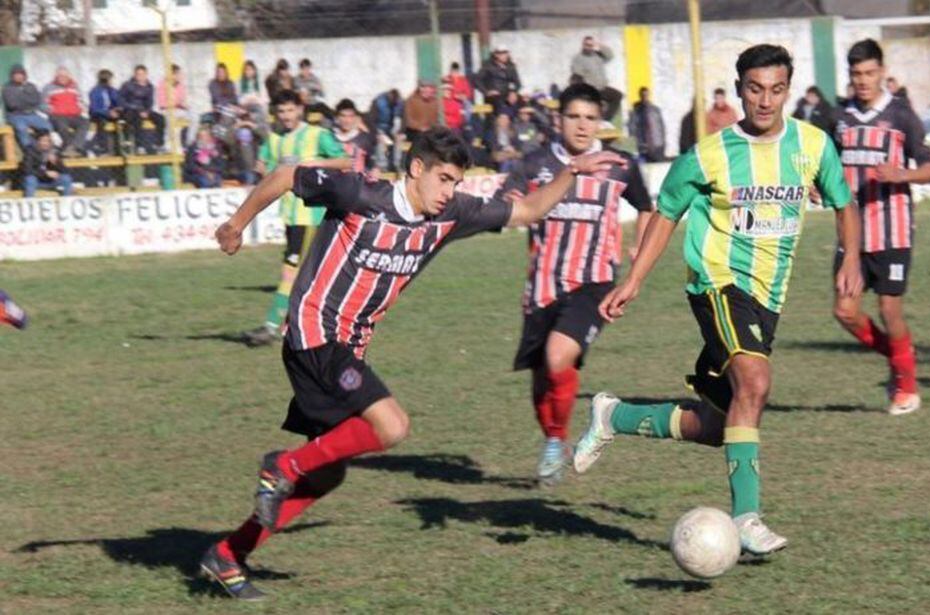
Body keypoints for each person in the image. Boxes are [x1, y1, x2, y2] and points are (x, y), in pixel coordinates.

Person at [199, 127, 624, 601]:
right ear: (416, 168)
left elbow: (526, 209)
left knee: (328, 472)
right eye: (443, 179)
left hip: (348, 346)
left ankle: (228, 554)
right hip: (315, 333)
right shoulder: (358, 192)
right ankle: (281, 465)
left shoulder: (454, 214)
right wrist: (237, 223)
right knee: (391, 425)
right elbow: (283, 176)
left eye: (456, 182)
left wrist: (569, 173)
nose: (450, 192)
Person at [573, 44, 864, 556]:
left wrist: (850, 258)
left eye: (776, 89)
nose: (765, 100)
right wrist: (634, 280)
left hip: (768, 297)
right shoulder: (708, 154)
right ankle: (747, 517)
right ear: (739, 90)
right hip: (718, 283)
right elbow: (665, 214)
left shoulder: (813, 146)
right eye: (755, 89)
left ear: (788, 91)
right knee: (755, 381)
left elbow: (844, 202)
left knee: (720, 424)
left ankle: (612, 416)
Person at [492, 83, 652, 485]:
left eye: (590, 118)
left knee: (558, 355)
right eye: (574, 117)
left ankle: (558, 438)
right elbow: (507, 204)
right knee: (541, 379)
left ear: (601, 121)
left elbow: (647, 207)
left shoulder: (619, 165)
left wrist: (638, 252)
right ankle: (552, 438)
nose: (582, 126)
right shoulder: (535, 164)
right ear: (559, 119)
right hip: (541, 287)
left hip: (593, 283)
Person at [832, 38, 930, 415]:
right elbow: (827, 165)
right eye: (856, 74)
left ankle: (906, 388)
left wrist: (903, 174)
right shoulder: (839, 118)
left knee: (889, 310)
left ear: (881, 72)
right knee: (845, 311)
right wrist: (819, 187)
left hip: (891, 230)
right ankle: (900, 358)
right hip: (850, 233)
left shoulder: (900, 116)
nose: (862, 80)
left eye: (869, 73)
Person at [243, 89, 346, 347]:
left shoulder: (316, 134)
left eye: (290, 110)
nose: (286, 116)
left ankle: (271, 326)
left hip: (311, 215)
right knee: (307, 276)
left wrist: (312, 165)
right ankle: (306, 329)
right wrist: (264, 170)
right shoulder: (274, 139)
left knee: (291, 272)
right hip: (290, 216)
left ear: (300, 109)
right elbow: (266, 168)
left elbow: (345, 160)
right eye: (281, 111)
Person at [570, 36, 622, 121]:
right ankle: (598, 120)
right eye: (586, 45)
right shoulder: (578, 58)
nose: (588, 47)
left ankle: (606, 120)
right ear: (583, 45)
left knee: (617, 95)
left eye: (591, 45)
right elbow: (577, 76)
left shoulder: (597, 56)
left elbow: (610, 55)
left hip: (602, 87)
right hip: (590, 89)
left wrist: (599, 46)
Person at [41, 67, 89, 157]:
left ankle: (75, 147)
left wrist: (82, 108)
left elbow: (81, 100)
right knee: (62, 125)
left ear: (69, 76)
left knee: (85, 122)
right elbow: (42, 104)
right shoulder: (49, 87)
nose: (63, 78)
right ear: (56, 77)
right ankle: (69, 146)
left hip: (74, 115)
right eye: (60, 76)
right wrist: (53, 110)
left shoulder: (75, 86)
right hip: (57, 115)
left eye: (65, 76)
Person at [3, 65, 53, 149]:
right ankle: (29, 149)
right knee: (22, 128)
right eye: (16, 74)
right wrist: (27, 99)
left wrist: (21, 96)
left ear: (24, 75)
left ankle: (44, 148)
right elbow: (12, 104)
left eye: (21, 74)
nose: (18, 76)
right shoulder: (7, 88)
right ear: (12, 76)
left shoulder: (31, 86)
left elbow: (36, 101)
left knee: (47, 126)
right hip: (15, 115)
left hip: (31, 114)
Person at [119, 65, 165, 152]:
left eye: (142, 74)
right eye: (138, 74)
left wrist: (147, 111)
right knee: (137, 120)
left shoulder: (149, 86)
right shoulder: (127, 85)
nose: (140, 76)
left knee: (161, 119)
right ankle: (139, 145)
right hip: (131, 110)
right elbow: (121, 100)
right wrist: (136, 109)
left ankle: (159, 144)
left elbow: (150, 101)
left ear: (146, 74)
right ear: (135, 75)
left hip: (144, 110)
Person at [21, 131, 73, 197]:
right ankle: (29, 203)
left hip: (50, 181)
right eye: (43, 140)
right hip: (36, 181)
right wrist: (45, 173)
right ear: (37, 141)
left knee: (66, 178)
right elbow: (27, 170)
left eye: (48, 141)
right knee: (30, 179)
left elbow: (66, 171)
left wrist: (56, 162)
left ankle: (67, 202)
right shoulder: (30, 151)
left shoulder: (54, 151)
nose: (46, 143)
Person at [333, 98, 376, 176]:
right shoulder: (329, 137)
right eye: (343, 116)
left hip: (357, 183)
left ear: (355, 118)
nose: (347, 120)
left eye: (350, 116)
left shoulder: (364, 138)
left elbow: (371, 164)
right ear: (337, 118)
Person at [474, 46, 521, 112]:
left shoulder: (511, 66)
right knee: (495, 108)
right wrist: (486, 92)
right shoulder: (488, 66)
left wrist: (513, 92)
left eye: (506, 53)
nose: (505, 56)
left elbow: (517, 82)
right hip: (493, 98)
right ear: (496, 55)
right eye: (502, 53)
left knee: (522, 101)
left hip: (507, 96)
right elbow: (477, 80)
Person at [627, 86, 666, 162]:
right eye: (643, 95)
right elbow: (632, 129)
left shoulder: (655, 110)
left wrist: (663, 143)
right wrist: (637, 143)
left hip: (657, 146)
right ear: (640, 96)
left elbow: (661, 127)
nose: (644, 97)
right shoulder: (636, 112)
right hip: (644, 147)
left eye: (646, 95)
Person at [87, 69, 121, 154]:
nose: (112, 81)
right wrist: (108, 113)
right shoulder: (95, 91)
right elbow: (95, 108)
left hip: (110, 113)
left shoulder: (112, 90)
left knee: (121, 120)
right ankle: (102, 147)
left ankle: (119, 148)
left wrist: (118, 109)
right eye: (111, 79)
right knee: (101, 122)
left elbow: (117, 101)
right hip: (98, 114)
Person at [157, 64, 189, 147]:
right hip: (166, 110)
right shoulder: (162, 84)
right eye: (178, 74)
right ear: (172, 74)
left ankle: (188, 142)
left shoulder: (181, 85)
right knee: (171, 118)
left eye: (180, 74)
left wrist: (184, 105)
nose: (180, 76)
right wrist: (175, 104)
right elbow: (161, 103)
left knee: (194, 116)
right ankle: (168, 144)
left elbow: (182, 100)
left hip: (179, 110)